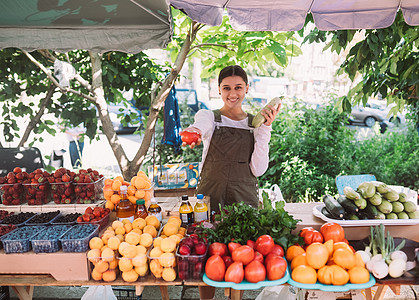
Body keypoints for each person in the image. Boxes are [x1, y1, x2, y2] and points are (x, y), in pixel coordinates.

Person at [181, 65, 280, 213]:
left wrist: (266, 128)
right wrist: (194, 132)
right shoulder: (209, 117)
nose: (232, 93)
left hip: (244, 199)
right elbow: (200, 125)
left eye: (238, 87)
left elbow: (258, 170)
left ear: (246, 88)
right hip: (210, 195)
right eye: (226, 88)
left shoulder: (256, 125)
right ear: (219, 89)